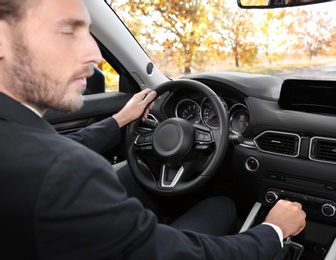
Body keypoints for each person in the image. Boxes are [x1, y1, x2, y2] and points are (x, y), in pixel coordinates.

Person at [0, 0, 306, 259]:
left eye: (90, 32)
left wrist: (120, 120)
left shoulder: (24, 142)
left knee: (135, 177)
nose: (95, 56)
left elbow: (62, 143)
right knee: (222, 204)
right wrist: (274, 231)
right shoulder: (63, 173)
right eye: (68, 30)